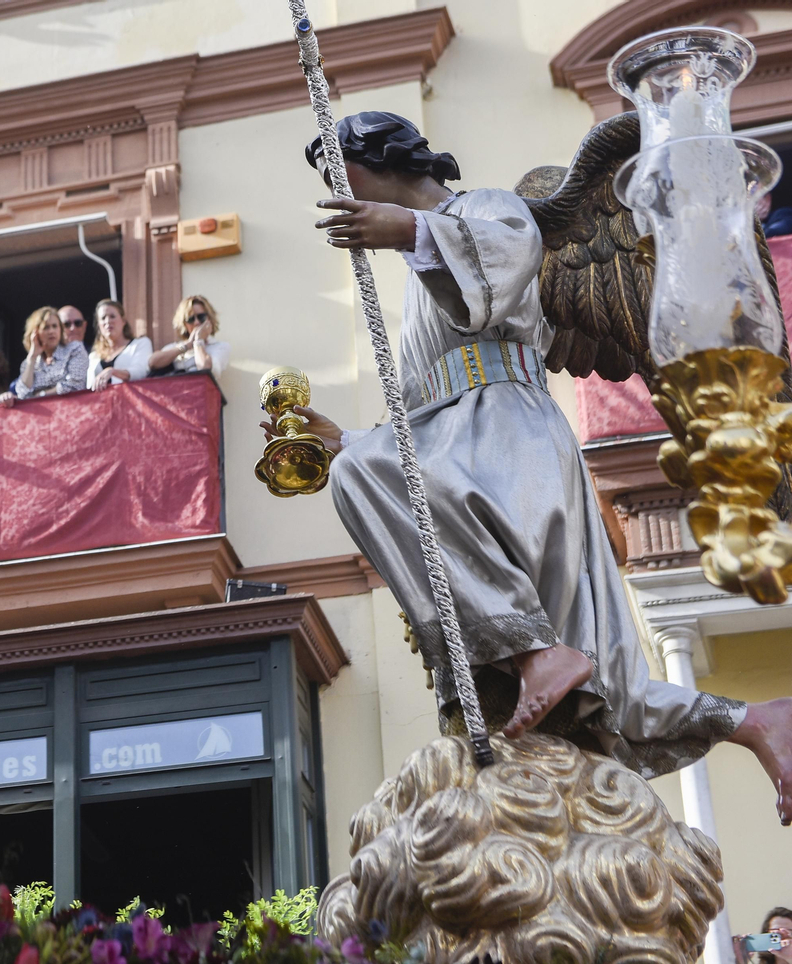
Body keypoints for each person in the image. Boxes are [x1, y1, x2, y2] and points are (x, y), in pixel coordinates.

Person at [272, 110, 791, 822]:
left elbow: (505, 262)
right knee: (606, 679)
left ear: (383, 161)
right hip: (470, 449)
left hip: (509, 436)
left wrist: (413, 232)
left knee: (368, 472)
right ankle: (758, 720)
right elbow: (433, 411)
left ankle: (533, 653)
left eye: (342, 174)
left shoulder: (484, 210)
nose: (338, 193)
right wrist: (353, 435)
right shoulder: (416, 279)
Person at [149, 294, 230, 378]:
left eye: (201, 317)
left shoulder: (220, 347)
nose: (196, 322)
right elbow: (152, 363)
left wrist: (199, 341)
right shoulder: (175, 346)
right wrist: (186, 346)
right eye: (190, 319)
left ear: (209, 319)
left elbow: (205, 369)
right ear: (184, 324)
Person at [14, 305, 86, 399]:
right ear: (35, 333)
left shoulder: (74, 349)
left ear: (60, 329)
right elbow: (23, 394)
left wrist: (42, 395)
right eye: (46, 327)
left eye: (55, 326)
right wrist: (32, 357)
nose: (51, 331)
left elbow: (74, 386)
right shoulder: (29, 362)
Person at [87, 298, 151, 390]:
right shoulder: (94, 356)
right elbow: (89, 386)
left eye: (112, 316)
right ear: (99, 325)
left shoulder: (140, 344)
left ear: (123, 321)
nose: (108, 321)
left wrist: (113, 372)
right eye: (103, 318)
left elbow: (140, 372)